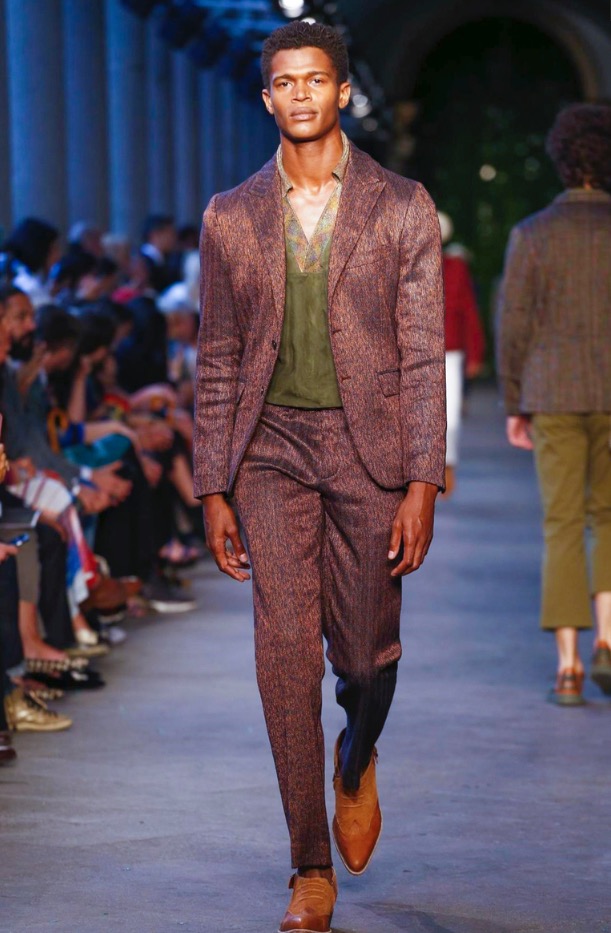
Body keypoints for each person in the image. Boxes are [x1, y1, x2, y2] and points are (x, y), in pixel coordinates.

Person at [193, 21, 446, 932]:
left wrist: (422, 481)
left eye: (315, 79)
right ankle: (308, 865)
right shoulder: (229, 216)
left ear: (341, 91)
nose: (299, 94)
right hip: (268, 450)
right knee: (284, 657)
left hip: (369, 448)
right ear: (266, 96)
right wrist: (212, 484)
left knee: (367, 658)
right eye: (283, 81)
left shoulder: (402, 205)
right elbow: (217, 357)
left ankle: (358, 751)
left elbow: (422, 353)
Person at [496, 102, 611, 706]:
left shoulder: (533, 234)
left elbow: (514, 326)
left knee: (562, 523)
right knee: (609, 518)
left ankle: (568, 667)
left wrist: (515, 401)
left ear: (562, 161)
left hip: (552, 391)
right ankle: (609, 639)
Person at [437, 212, 485, 496]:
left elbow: (467, 310)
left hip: (449, 351)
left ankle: (447, 466)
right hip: (410, 352)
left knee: (450, 414)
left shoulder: (456, 268)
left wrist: (475, 352)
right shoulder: (403, 263)